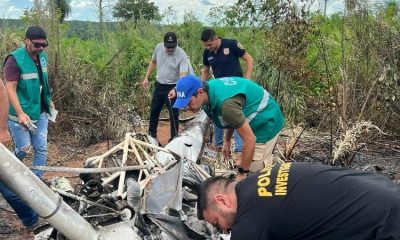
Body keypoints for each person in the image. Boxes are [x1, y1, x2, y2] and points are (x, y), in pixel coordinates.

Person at [197, 162, 400, 240]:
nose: (224, 231)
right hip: (385, 192)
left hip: (383, 224)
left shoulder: (249, 219)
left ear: (222, 201)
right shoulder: (260, 178)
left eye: (217, 223)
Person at [171, 75, 284, 179]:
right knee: (248, 164)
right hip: (250, 114)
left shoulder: (226, 105)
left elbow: (250, 139)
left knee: (256, 171)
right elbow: (229, 119)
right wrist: (227, 140)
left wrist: (242, 173)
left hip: (266, 120)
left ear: (200, 92)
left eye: (189, 101)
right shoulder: (208, 94)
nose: (186, 107)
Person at [2, 25, 54, 238]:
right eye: (36, 45)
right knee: (23, 148)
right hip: (19, 116)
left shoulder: (42, 58)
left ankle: (37, 182)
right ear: (26, 41)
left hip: (40, 111)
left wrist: (49, 102)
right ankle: (9, 176)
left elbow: (43, 83)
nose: (40, 48)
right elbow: (9, 88)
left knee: (41, 147)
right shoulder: (14, 60)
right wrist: (21, 113)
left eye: (44, 45)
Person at [200, 28, 254, 159]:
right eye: (205, 45)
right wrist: (201, 86)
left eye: (209, 44)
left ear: (215, 38)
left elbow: (249, 59)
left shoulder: (231, 44)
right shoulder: (207, 53)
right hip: (219, 89)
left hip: (236, 88)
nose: (208, 47)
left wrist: (246, 81)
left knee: (236, 116)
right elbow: (206, 70)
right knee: (217, 114)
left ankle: (240, 149)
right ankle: (219, 145)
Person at [142, 32, 190, 142]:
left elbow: (183, 76)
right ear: (164, 44)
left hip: (173, 87)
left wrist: (176, 89)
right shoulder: (158, 48)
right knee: (154, 111)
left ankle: (174, 139)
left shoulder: (182, 55)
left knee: (174, 113)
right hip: (159, 86)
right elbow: (153, 62)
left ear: (176, 44)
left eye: (172, 47)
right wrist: (146, 77)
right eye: (168, 47)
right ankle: (152, 136)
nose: (170, 49)